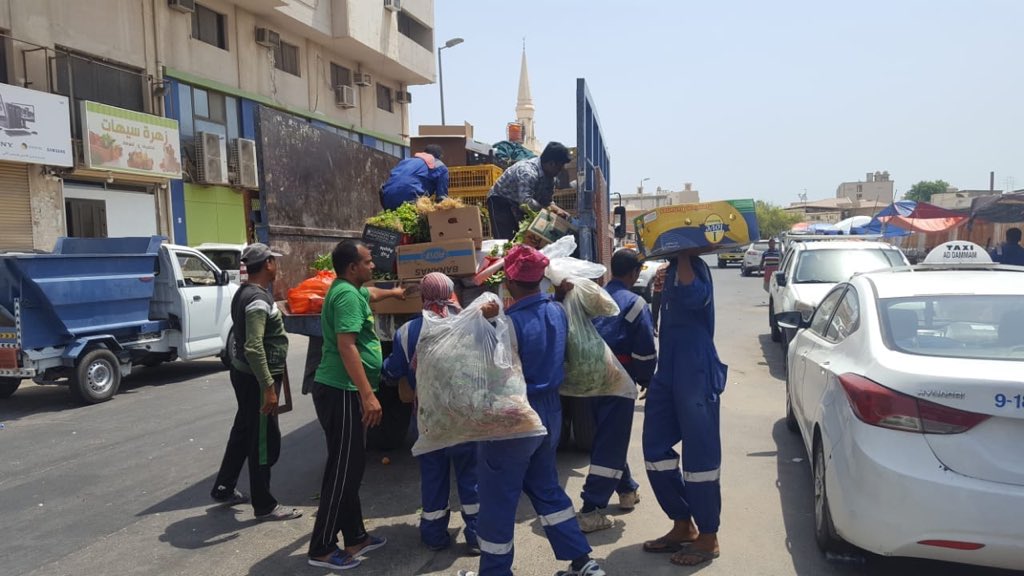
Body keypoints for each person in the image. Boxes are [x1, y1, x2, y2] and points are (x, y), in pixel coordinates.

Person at [459, 245, 604, 576]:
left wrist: (483, 322)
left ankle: (494, 572)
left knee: (498, 498)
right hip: (550, 413)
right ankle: (583, 562)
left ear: (509, 282)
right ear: (540, 280)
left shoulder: (509, 324)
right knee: (546, 488)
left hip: (517, 416)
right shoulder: (557, 312)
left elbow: (492, 371)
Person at [307, 240, 406, 571]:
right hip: (342, 390)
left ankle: (356, 537)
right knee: (342, 470)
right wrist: (367, 394)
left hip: (344, 390)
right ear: (352, 268)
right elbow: (346, 346)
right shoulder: (347, 296)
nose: (373, 265)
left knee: (351, 467)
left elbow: (371, 293)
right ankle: (321, 547)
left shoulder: (352, 289)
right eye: (368, 262)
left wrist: (395, 292)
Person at [382, 273, 490, 554]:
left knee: (433, 477)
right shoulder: (469, 325)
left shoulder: (407, 331)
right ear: (452, 293)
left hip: (429, 420)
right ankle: (477, 536)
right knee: (472, 477)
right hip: (465, 417)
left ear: (423, 296)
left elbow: (393, 370)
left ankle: (433, 535)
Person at [641, 251, 727, 567]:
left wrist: (685, 256)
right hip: (668, 367)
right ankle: (682, 523)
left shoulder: (696, 267)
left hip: (696, 368)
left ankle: (708, 535)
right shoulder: (669, 270)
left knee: (700, 456)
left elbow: (694, 297)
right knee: (654, 450)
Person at [210, 243, 302, 521]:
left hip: (244, 374)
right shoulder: (258, 300)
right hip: (256, 380)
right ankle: (264, 504)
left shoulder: (245, 292)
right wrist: (268, 387)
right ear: (267, 264)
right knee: (263, 441)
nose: (277, 266)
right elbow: (253, 346)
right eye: (274, 261)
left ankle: (224, 487)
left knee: (243, 430)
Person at [575, 249, 656, 533]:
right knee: (610, 442)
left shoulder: (595, 298)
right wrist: (646, 378)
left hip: (589, 378)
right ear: (634, 273)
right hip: (618, 380)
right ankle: (590, 509)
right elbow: (644, 349)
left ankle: (627, 490)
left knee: (609, 435)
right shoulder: (635, 303)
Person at [486, 142, 572, 241]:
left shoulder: (550, 178)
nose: (560, 171)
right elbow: (525, 201)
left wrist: (558, 211)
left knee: (524, 238)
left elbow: (547, 202)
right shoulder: (528, 172)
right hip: (500, 200)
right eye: (559, 168)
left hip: (519, 203)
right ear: (551, 163)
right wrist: (548, 211)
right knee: (506, 239)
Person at [380, 144, 449, 210]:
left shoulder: (406, 161)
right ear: (439, 157)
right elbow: (442, 199)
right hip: (410, 199)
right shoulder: (440, 167)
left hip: (386, 198)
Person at [650, 262, 669, 337]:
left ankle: (654, 327)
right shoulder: (663, 269)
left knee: (656, 310)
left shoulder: (661, 268)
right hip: (661, 291)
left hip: (660, 291)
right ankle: (655, 327)